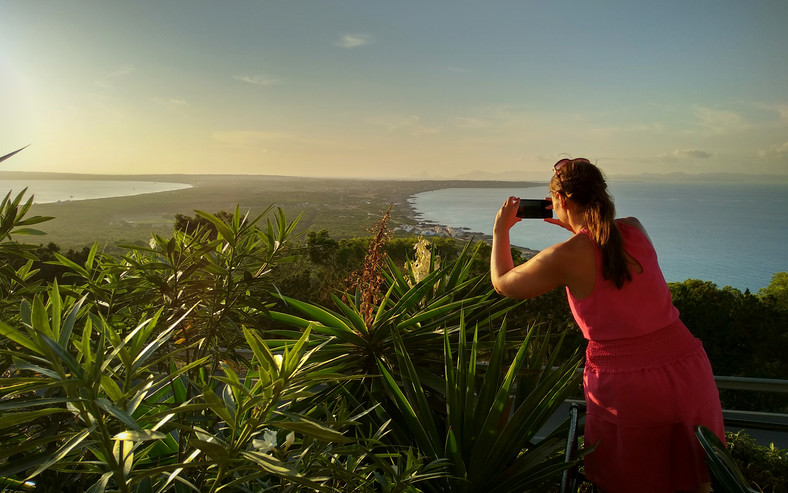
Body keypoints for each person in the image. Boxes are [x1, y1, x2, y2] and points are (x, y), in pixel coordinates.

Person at [490, 158, 725, 493]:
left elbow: (503, 283)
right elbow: (604, 239)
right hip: (688, 369)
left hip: (628, 386)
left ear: (563, 201)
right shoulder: (634, 227)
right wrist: (575, 223)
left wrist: (501, 231)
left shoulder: (566, 255)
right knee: (695, 481)